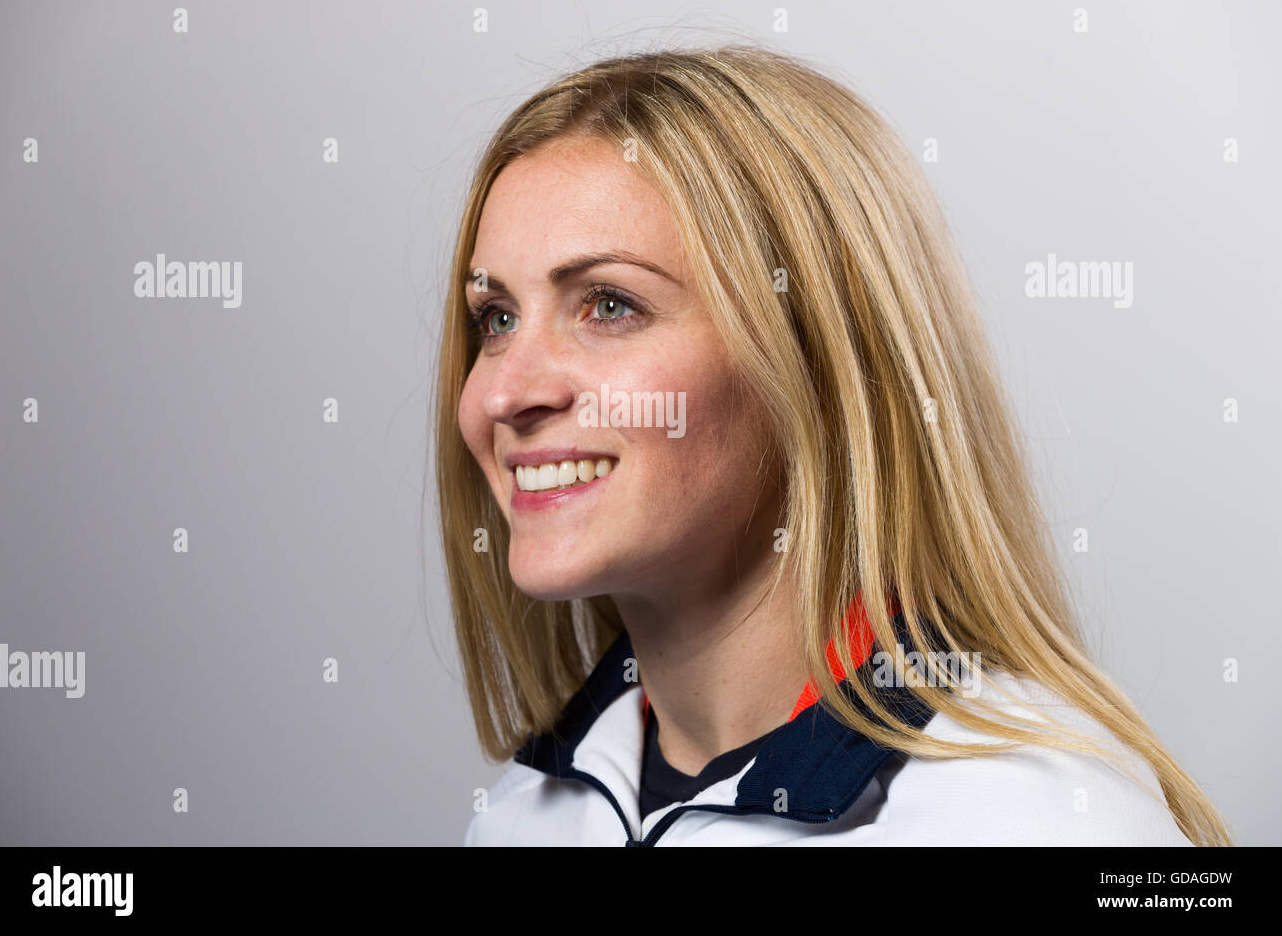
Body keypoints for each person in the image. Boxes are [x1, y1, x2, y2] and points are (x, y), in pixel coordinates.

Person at [436, 45, 1231, 846]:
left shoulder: (1041, 819)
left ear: (817, 363)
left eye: (608, 305)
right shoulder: (518, 818)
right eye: (496, 319)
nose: (504, 393)